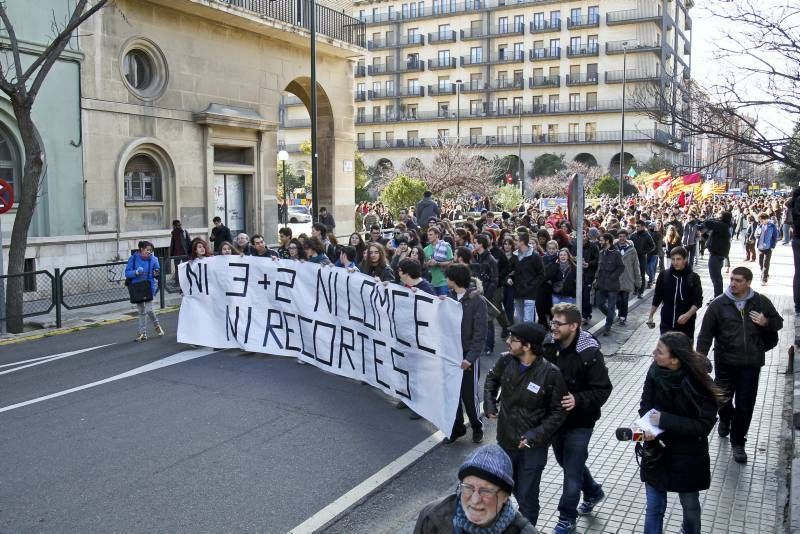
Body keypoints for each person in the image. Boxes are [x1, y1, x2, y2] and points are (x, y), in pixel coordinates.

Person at [638, 332, 723, 534]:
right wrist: (648, 429)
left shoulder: (701, 383)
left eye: (659, 352)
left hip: (688, 456)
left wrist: (663, 420)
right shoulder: (654, 371)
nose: (653, 354)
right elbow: (645, 407)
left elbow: (703, 426)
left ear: (675, 358)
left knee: (690, 506)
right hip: (656, 452)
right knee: (654, 508)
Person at [484, 322, 567, 527]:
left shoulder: (551, 374)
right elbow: (491, 379)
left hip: (532, 448)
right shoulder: (505, 361)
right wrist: (489, 403)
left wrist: (535, 435)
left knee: (527, 499)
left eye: (513, 339)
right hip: (505, 443)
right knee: (500, 493)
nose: (508, 341)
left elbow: (559, 411)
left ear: (528, 346)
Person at [696, 266, 782, 463]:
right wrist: (699, 358)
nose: (733, 283)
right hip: (725, 362)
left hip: (751, 363)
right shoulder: (719, 305)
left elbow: (778, 322)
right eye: (732, 279)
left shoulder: (760, 302)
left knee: (745, 404)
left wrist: (765, 321)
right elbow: (705, 334)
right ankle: (726, 418)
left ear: (748, 283)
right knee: (721, 398)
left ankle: (738, 442)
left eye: (739, 280)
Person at [544, 303, 612, 534]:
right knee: (568, 463)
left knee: (571, 471)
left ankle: (566, 518)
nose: (553, 327)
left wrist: (578, 400)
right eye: (552, 322)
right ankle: (593, 491)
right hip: (555, 421)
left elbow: (603, 389)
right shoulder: (548, 345)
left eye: (558, 323)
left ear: (573, 326)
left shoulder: (589, 353)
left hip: (581, 422)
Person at [413, 444, 537, 533]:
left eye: (486, 491)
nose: (475, 500)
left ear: (505, 497)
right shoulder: (432, 516)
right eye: (468, 488)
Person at [443, 264, 487, 445]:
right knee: (451, 395)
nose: (445, 281)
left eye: (448, 278)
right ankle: (457, 428)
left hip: (467, 355)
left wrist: (470, 358)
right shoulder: (450, 298)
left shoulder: (477, 301)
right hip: (450, 355)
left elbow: (480, 334)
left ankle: (477, 426)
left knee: (469, 396)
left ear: (454, 280)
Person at [647, 246, 703, 340]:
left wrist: (688, 315)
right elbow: (657, 297)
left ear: (685, 259)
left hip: (686, 325)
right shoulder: (664, 275)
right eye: (673, 259)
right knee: (666, 352)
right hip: (667, 323)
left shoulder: (693, 277)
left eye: (678, 259)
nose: (675, 262)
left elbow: (698, 301)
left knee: (683, 353)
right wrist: (651, 315)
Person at [125, 240, 164, 342]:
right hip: (137, 288)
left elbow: (157, 272)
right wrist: (136, 272)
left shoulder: (154, 259)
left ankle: (157, 325)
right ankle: (143, 333)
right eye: (147, 249)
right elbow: (127, 273)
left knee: (149, 310)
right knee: (141, 311)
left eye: (151, 250)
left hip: (149, 287)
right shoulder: (133, 258)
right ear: (141, 249)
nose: (149, 252)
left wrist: (156, 272)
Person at [511, 233, 544, 324]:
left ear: (522, 242)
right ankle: (522, 338)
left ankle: (528, 337)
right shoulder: (514, 256)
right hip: (518, 293)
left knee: (528, 320)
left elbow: (541, 274)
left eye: (516, 240)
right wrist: (509, 278)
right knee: (519, 319)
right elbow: (510, 271)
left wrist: (531, 286)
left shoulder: (535, 256)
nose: (514, 242)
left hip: (530, 293)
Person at [595, 233, 624, 336]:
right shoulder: (601, 252)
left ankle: (608, 327)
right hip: (601, 283)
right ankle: (611, 316)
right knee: (599, 303)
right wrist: (596, 278)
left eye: (602, 240)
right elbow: (599, 267)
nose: (600, 242)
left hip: (612, 284)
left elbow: (621, 267)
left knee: (611, 306)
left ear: (607, 241)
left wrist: (613, 276)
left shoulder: (616, 253)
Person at [702, 211, 733, 297]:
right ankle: (718, 296)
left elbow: (707, 222)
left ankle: (718, 296)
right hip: (716, 254)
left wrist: (714, 219)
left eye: (720, 216)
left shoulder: (723, 226)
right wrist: (704, 235)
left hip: (716, 255)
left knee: (716, 278)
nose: (718, 217)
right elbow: (711, 238)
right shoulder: (722, 226)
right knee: (716, 278)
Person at [616, 229, 641, 327]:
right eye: (620, 236)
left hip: (628, 278)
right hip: (616, 278)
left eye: (623, 236)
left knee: (624, 299)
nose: (621, 238)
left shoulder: (632, 250)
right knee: (617, 299)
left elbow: (636, 265)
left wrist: (638, 281)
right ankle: (620, 311)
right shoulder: (614, 247)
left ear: (626, 237)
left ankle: (623, 316)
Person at [423, 226, 454, 296]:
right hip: (431, 283)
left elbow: (451, 263)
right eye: (428, 235)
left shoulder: (445, 246)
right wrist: (428, 264)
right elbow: (423, 264)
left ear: (437, 235)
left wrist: (437, 263)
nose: (428, 237)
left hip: (444, 282)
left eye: (431, 235)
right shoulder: (425, 249)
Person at [631, 220, 655, 297]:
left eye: (638, 226)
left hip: (642, 257)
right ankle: (635, 288)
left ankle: (640, 291)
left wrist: (645, 252)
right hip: (634, 257)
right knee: (634, 273)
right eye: (636, 226)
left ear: (642, 226)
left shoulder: (647, 235)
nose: (636, 228)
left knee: (641, 274)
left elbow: (652, 246)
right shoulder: (633, 235)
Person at [754, 212, 778, 284]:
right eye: (760, 220)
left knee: (766, 264)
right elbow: (756, 233)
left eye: (761, 220)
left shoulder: (772, 226)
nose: (760, 221)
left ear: (766, 219)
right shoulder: (760, 225)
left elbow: (775, 237)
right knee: (760, 263)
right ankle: (765, 274)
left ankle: (764, 279)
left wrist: (773, 246)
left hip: (768, 247)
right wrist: (756, 235)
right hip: (760, 247)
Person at [168, 220, 191, 285]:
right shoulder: (173, 233)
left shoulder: (184, 232)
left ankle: (187, 281)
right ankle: (177, 282)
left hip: (184, 253)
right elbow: (173, 243)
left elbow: (189, 242)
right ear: (174, 226)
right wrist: (171, 254)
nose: (179, 226)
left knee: (186, 267)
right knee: (177, 268)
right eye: (178, 225)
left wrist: (190, 252)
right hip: (176, 254)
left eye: (180, 224)